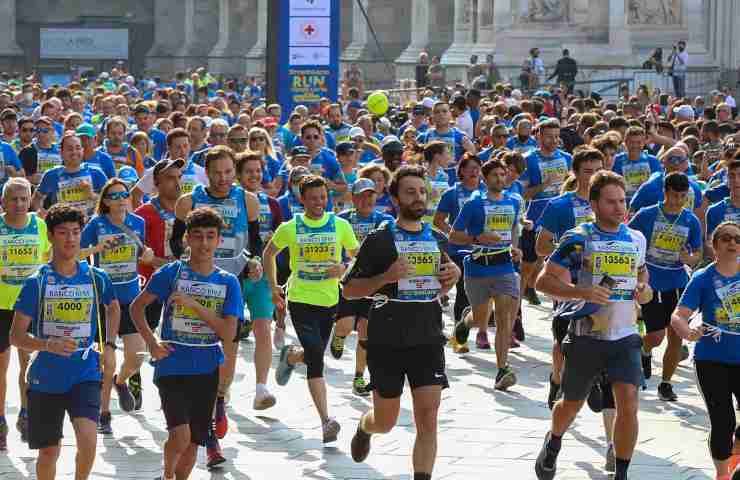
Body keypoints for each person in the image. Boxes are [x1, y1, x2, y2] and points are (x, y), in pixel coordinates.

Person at [342, 164, 461, 480]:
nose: (418, 197)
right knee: (386, 421)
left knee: (428, 416)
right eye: (410, 192)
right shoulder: (379, 240)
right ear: (394, 198)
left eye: (422, 191)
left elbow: (445, 278)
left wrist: (455, 275)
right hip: (387, 339)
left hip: (428, 336)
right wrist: (386, 277)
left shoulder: (436, 237)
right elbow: (350, 289)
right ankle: (365, 428)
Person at [533, 171, 651, 480]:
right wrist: (581, 292)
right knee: (571, 404)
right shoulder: (578, 238)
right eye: (611, 202)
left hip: (625, 336)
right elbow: (542, 281)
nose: (619, 208)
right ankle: (554, 442)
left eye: (622, 201)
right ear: (594, 203)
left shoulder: (635, 238)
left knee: (629, 404)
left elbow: (642, 274)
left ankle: (622, 472)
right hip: (587, 335)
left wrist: (644, 289)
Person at [129, 207, 243, 480]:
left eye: (210, 237)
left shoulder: (228, 282)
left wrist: (195, 306)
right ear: (187, 240)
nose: (204, 243)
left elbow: (229, 333)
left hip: (206, 369)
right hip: (172, 365)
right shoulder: (171, 273)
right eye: (198, 236)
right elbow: (136, 308)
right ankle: (167, 475)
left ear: (218, 241)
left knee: (194, 441)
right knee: (180, 435)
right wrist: (152, 341)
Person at [10, 204, 119, 480]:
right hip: (46, 377)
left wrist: (108, 345)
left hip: (84, 372)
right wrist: (48, 345)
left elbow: (114, 307)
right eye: (62, 232)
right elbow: (16, 336)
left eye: (75, 232)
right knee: (49, 452)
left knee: (88, 440)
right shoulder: (37, 282)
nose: (70, 239)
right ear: (50, 236)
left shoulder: (97, 278)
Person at [171, 145, 261, 467]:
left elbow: (255, 243)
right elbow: (174, 243)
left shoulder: (248, 200)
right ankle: (209, 438)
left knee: (226, 358)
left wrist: (255, 263)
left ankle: (220, 399)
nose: (223, 178)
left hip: (230, 286)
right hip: (195, 285)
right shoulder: (188, 201)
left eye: (228, 172)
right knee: (201, 360)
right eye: (216, 172)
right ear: (206, 173)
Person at [262, 175, 359, 443]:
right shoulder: (290, 227)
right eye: (313, 198)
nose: (319, 202)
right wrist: (273, 286)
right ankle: (326, 421)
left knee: (313, 352)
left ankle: (291, 357)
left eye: (323, 197)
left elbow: (357, 257)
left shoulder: (340, 225)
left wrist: (343, 268)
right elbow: (268, 253)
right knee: (317, 357)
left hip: (329, 300)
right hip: (301, 298)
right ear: (301, 199)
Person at [80, 179, 154, 433]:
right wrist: (98, 248)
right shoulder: (96, 224)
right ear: (106, 201)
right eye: (115, 195)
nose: (122, 198)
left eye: (125, 194)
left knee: (137, 355)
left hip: (131, 298)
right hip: (105, 299)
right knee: (107, 357)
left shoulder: (138, 223)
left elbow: (146, 254)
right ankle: (104, 415)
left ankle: (120, 382)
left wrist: (147, 256)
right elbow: (77, 254)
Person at [671, 220, 740, 480]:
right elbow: (678, 315)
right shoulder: (703, 278)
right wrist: (687, 331)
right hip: (712, 360)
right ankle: (722, 474)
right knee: (723, 421)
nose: (732, 243)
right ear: (715, 245)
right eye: (726, 238)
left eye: (737, 238)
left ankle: (735, 453)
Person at [535, 148, 603, 408]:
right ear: (575, 173)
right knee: (563, 339)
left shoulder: (611, 202)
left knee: (601, 332)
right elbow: (541, 247)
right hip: (567, 285)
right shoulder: (560, 205)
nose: (595, 176)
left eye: (599, 170)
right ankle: (556, 378)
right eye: (588, 171)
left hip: (602, 284)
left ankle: (595, 379)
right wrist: (568, 254)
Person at [628, 172, 702, 400]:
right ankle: (644, 349)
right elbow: (628, 237)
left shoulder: (690, 220)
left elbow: (697, 254)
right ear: (665, 193)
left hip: (678, 282)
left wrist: (688, 259)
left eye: (683, 196)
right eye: (674, 196)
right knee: (657, 335)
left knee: (676, 337)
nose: (678, 201)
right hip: (651, 282)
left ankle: (666, 383)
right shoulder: (647, 215)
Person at [450, 159, 522, 388]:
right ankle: (465, 322)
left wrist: (514, 246)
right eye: (495, 175)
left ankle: (502, 369)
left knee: (503, 317)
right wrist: (477, 238)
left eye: (503, 174)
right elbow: (454, 235)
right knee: (481, 318)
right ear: (485, 178)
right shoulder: (474, 203)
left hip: (504, 266)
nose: (500, 179)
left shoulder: (513, 201)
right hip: (478, 266)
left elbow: (513, 228)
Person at [0, 178, 51, 448]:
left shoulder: (40, 226)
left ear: (30, 199)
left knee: (29, 364)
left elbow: (48, 260)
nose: (19, 204)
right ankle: (0, 421)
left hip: (31, 306)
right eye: (13, 199)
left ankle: (26, 412)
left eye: (24, 198)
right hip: (1, 306)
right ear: (3, 202)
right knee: (1, 368)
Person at [331, 178, 394, 396]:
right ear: (353, 198)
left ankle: (359, 376)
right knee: (346, 326)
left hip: (375, 284)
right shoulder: (342, 220)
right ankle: (338, 336)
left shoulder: (386, 220)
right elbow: (335, 247)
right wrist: (340, 265)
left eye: (371, 194)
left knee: (366, 332)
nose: (367, 199)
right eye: (361, 195)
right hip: (350, 281)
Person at [235, 151, 282, 410]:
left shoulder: (272, 204)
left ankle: (261, 389)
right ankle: (222, 388)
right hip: (235, 276)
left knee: (264, 329)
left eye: (258, 171)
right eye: (248, 171)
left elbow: (281, 239)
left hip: (262, 277)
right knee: (227, 333)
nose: (254, 175)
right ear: (238, 175)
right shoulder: (230, 201)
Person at [521, 119, 573, 306]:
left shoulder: (567, 158)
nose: (554, 140)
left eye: (557, 137)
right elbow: (523, 194)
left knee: (553, 257)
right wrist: (544, 185)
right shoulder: (529, 159)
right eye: (549, 137)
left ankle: (540, 290)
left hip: (560, 214)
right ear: (539, 136)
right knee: (530, 261)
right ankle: (521, 295)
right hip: (535, 215)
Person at [31, 133, 108, 217]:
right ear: (61, 153)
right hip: (62, 226)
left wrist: (91, 195)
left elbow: (110, 201)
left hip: (89, 225)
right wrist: (42, 215)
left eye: (78, 148)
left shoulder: (96, 173)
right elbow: (37, 198)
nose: (74, 152)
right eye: (70, 149)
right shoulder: (51, 175)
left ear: (82, 150)